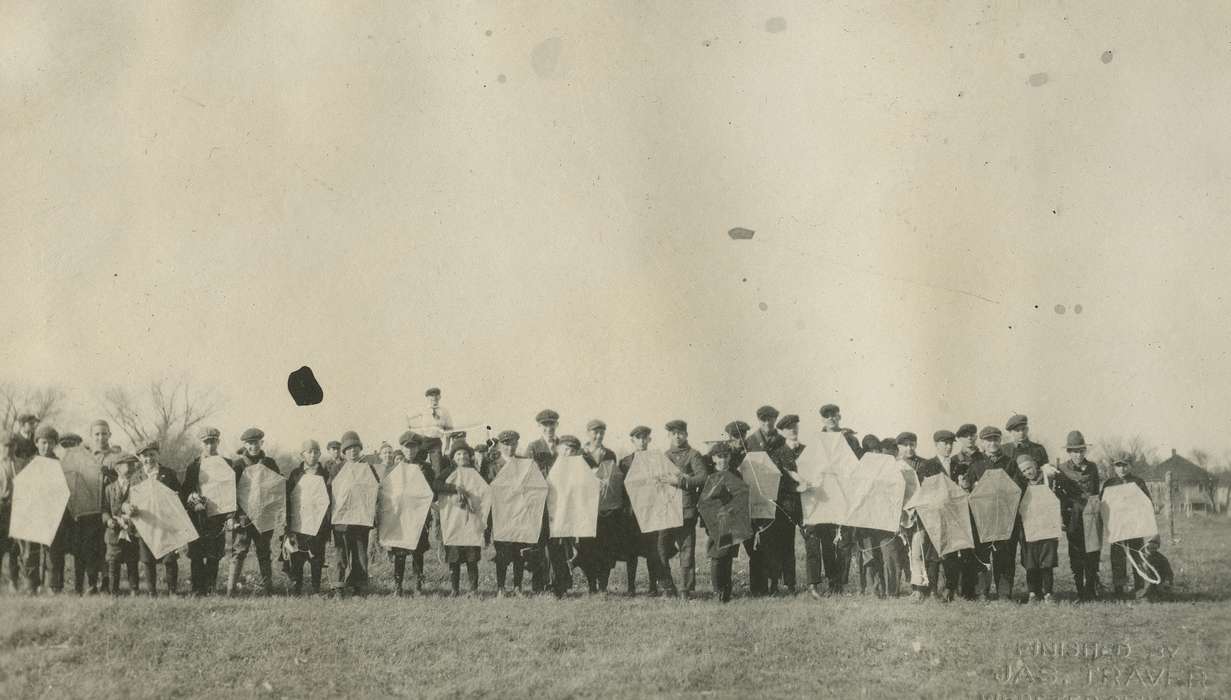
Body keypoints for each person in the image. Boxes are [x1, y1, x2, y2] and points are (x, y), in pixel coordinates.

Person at [967, 426, 1026, 601]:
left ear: (1000, 441)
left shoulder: (1010, 463)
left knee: (1005, 555)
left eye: (995, 440)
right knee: (982, 555)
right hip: (982, 518)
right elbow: (968, 489)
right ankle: (982, 592)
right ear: (982, 443)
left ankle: (1004, 592)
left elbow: (1017, 489)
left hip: (1004, 518)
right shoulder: (976, 464)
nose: (992, 443)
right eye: (988, 440)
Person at [227, 427, 282, 596]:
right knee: (239, 551)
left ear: (261, 443)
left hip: (264, 516)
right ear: (244, 445)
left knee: (264, 552)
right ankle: (230, 591)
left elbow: (278, 487)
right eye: (250, 444)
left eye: (256, 443)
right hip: (243, 516)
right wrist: (232, 516)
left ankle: (268, 589)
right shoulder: (238, 465)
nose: (253, 447)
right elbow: (230, 492)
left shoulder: (269, 463)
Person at [658, 419, 709, 598]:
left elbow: (703, 478)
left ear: (686, 434)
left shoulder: (693, 455)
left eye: (680, 433)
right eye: (673, 433)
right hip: (666, 511)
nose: (677, 436)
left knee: (686, 551)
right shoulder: (663, 456)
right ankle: (667, 587)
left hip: (686, 510)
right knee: (661, 549)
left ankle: (685, 590)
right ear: (669, 436)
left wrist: (680, 481)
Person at [179, 426, 230, 595]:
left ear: (218, 442)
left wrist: (229, 515)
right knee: (196, 553)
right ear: (201, 443)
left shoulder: (227, 464)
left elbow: (232, 492)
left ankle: (210, 588)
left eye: (213, 442)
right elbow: (186, 490)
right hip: (197, 516)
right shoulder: (193, 466)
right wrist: (191, 498)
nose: (210, 446)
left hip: (217, 515)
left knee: (214, 553)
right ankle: (196, 589)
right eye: (206, 442)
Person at [577, 420, 625, 594]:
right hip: (586, 510)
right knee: (587, 548)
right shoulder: (581, 454)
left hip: (606, 510)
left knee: (606, 548)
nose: (598, 436)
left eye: (601, 433)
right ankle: (591, 585)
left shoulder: (610, 454)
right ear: (588, 433)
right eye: (594, 432)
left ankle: (603, 585)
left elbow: (614, 478)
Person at [388, 431, 437, 596]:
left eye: (413, 447)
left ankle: (418, 586)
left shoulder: (426, 467)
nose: (410, 450)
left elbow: (432, 492)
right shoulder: (395, 468)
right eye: (407, 447)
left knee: (417, 552)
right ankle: (398, 586)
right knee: (400, 552)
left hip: (419, 516)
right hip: (400, 517)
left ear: (418, 448)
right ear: (402, 448)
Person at [821, 404, 864, 595]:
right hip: (825, 498)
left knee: (845, 541)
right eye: (827, 416)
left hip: (846, 495)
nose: (831, 418)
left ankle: (841, 582)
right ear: (822, 419)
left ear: (839, 417)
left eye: (834, 415)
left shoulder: (851, 440)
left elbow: (860, 464)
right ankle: (832, 580)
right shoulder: (818, 440)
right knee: (828, 542)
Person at [332, 431, 380, 596]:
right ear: (344, 452)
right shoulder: (337, 468)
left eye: (356, 448)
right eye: (349, 449)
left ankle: (358, 587)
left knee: (360, 554)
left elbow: (375, 489)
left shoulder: (368, 468)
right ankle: (339, 586)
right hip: (341, 521)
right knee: (341, 554)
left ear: (360, 450)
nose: (353, 451)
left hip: (361, 520)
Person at [618, 426, 663, 597]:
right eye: (639, 438)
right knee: (631, 553)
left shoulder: (656, 459)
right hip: (631, 515)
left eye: (645, 438)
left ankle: (653, 586)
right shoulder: (625, 462)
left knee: (652, 551)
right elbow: (621, 489)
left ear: (649, 440)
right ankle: (631, 587)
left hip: (651, 513)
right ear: (633, 441)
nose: (642, 441)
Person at [1057, 430, 1102, 601]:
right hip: (1073, 516)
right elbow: (1059, 495)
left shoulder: (1093, 467)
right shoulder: (1062, 469)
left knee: (1092, 552)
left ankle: (1091, 588)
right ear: (1068, 452)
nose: (1078, 454)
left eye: (1081, 451)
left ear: (1085, 451)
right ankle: (1080, 590)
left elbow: (1096, 491)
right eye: (1074, 451)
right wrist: (1064, 516)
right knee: (1076, 554)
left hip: (1091, 515)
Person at [435, 441, 483, 596]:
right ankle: (454, 589)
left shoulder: (475, 472)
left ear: (469, 456)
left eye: (465, 454)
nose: (462, 456)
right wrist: (454, 488)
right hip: (454, 520)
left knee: (472, 557)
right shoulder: (449, 471)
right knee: (454, 557)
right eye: (458, 454)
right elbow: (435, 484)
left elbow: (484, 489)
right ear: (453, 458)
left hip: (471, 520)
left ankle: (473, 589)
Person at [699, 442, 746, 603]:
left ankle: (727, 590)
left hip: (732, 520)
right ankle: (717, 590)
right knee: (717, 555)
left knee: (728, 555)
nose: (723, 460)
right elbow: (704, 501)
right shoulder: (709, 476)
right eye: (719, 457)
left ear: (730, 457)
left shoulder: (736, 474)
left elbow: (741, 496)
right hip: (715, 521)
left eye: (726, 456)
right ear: (713, 458)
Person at [284, 439, 331, 595]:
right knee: (297, 556)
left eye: (316, 452)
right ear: (302, 454)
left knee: (317, 557)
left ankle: (316, 589)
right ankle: (297, 588)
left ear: (320, 454)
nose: (313, 455)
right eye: (309, 452)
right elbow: (288, 499)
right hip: (299, 522)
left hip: (319, 524)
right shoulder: (296, 474)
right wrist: (288, 525)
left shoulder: (325, 474)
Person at [1101, 456, 1153, 599]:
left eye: (1124, 465)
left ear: (1130, 466)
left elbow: (1146, 503)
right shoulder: (1109, 483)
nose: (1121, 469)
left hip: (1134, 527)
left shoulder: (1138, 482)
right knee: (1117, 558)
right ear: (1114, 467)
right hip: (1117, 528)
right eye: (1118, 465)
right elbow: (1103, 504)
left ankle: (1140, 588)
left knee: (1137, 555)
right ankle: (1119, 589)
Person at [135, 441, 181, 596]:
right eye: (145, 456)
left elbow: (178, 495)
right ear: (140, 458)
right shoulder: (136, 477)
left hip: (166, 523)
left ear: (158, 455)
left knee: (170, 559)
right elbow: (131, 500)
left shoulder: (168, 474)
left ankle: (172, 591)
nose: (149, 459)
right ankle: (151, 592)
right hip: (146, 523)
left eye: (152, 455)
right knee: (147, 560)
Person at [82, 419, 123, 594]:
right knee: (91, 546)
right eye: (97, 434)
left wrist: (112, 477)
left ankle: (107, 582)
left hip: (109, 509)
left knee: (108, 546)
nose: (100, 437)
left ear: (110, 435)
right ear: (91, 436)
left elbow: (123, 478)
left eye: (104, 433)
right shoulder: (86, 457)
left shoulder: (116, 457)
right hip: (90, 509)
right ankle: (91, 582)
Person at [765, 413, 804, 596]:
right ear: (782, 431)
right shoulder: (777, 454)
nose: (793, 430)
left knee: (812, 544)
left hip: (808, 505)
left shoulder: (806, 450)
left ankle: (813, 584)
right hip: (786, 506)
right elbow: (775, 482)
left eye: (795, 426)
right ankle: (782, 584)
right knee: (783, 545)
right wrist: (795, 489)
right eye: (789, 428)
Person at [30, 425, 72, 594]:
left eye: (50, 443)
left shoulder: (59, 465)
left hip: (54, 516)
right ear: (36, 443)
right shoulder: (31, 465)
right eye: (43, 443)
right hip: (34, 515)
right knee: (33, 551)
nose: (46, 447)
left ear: (55, 445)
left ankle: (54, 585)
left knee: (54, 552)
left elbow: (64, 491)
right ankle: (33, 584)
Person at [1017, 454, 1064, 603]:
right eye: (1024, 471)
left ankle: (1048, 593)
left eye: (1029, 468)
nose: (1028, 472)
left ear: (1035, 465)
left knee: (1046, 563)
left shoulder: (1048, 478)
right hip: (1029, 528)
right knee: (1031, 563)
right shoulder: (1022, 485)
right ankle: (1033, 593)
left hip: (1047, 527)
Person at [482, 430, 524, 596]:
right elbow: (487, 487)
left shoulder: (523, 463)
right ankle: (501, 588)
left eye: (513, 443)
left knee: (519, 552)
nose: (510, 447)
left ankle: (518, 587)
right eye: (506, 443)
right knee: (502, 553)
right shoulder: (492, 464)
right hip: (500, 513)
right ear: (499, 445)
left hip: (519, 513)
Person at [922, 430, 962, 601]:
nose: (948, 446)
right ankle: (932, 589)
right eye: (945, 443)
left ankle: (949, 589)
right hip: (934, 515)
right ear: (936, 445)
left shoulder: (958, 465)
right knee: (933, 554)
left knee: (951, 552)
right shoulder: (927, 465)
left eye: (951, 443)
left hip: (953, 515)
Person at [525, 409, 561, 593]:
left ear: (557, 425)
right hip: (539, 503)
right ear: (539, 426)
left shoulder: (564, 446)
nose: (549, 428)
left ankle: (557, 585)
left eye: (552, 424)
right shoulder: (533, 448)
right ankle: (538, 584)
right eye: (545, 425)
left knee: (558, 544)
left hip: (560, 503)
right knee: (538, 543)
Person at [101, 453, 141, 595]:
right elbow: (104, 510)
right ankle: (113, 591)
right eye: (127, 465)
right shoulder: (109, 489)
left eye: (133, 465)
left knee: (132, 561)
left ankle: (134, 590)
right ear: (118, 468)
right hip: (114, 532)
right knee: (113, 562)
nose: (131, 468)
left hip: (132, 530)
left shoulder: (138, 488)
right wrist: (108, 521)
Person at [0, 433, 17, 593]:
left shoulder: (17, 465)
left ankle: (13, 582)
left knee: (14, 548)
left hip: (16, 510)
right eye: (6, 446)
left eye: (11, 446)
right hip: (1, 510)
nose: (9, 450)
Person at [1139, 537, 1174, 602]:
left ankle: (1158, 593)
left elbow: (1168, 572)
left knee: (1163, 592)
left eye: (1154, 548)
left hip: (1159, 580)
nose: (1151, 550)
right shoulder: (1142, 558)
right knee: (1146, 591)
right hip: (1147, 580)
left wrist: (1167, 581)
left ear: (1157, 548)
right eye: (1149, 548)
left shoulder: (1162, 558)